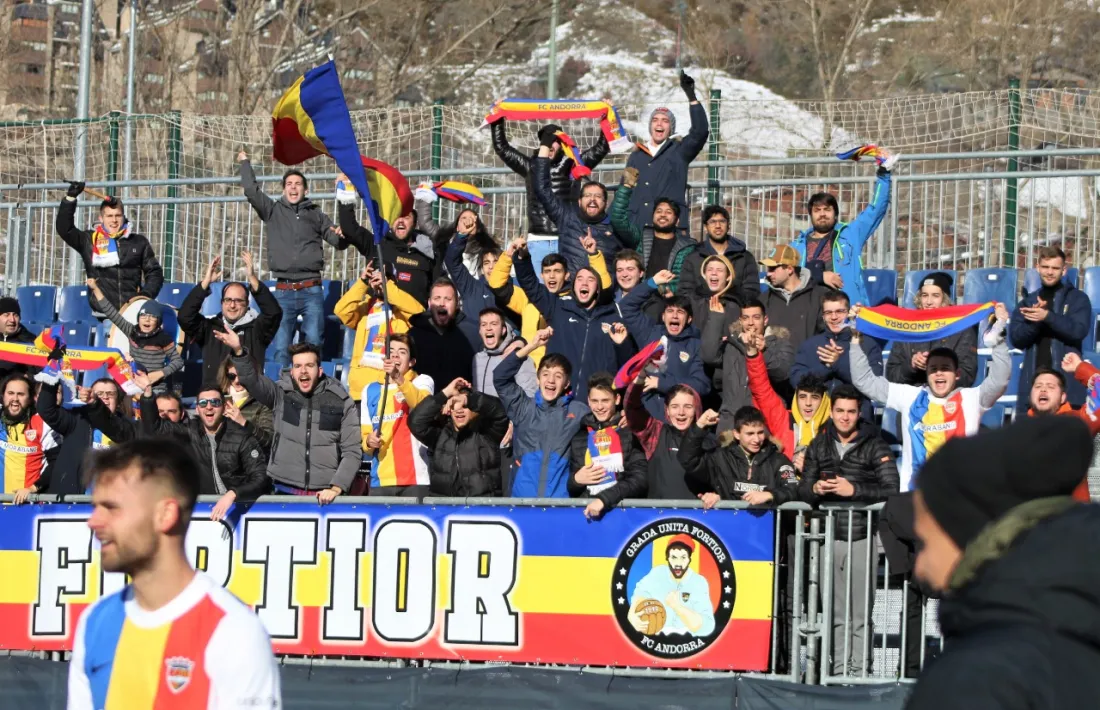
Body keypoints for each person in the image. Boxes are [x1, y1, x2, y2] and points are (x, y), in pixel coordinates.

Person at [67, 439, 281, 710]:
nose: (93, 521)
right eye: (95, 506)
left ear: (165, 514)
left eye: (111, 507)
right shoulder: (93, 623)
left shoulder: (234, 632)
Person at [906, 416, 1100, 710]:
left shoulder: (971, 681)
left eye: (925, 543)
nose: (919, 567)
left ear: (964, 538)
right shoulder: (1079, 638)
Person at [849, 303, 1012, 491]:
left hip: (961, 494)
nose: (939, 374)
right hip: (917, 496)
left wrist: (999, 334)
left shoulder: (971, 399)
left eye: (945, 369)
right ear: (926, 373)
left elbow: (1000, 379)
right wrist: (856, 339)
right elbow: (864, 381)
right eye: (933, 369)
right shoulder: (910, 396)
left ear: (957, 374)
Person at [799, 384, 899, 676]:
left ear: (859, 413)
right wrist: (815, 487)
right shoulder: (820, 443)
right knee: (835, 611)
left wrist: (853, 488)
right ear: (831, 411)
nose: (844, 417)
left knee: (859, 613)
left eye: (851, 412)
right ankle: (839, 670)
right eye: (840, 411)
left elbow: (891, 488)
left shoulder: (874, 443)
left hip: (862, 536)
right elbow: (804, 490)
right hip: (828, 537)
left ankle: (859, 672)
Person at [93, 379, 269, 522]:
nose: (209, 407)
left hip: (238, 512)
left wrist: (233, 494)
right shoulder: (188, 431)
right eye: (203, 403)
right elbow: (153, 427)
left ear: (223, 407)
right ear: (197, 409)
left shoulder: (241, 437)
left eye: (215, 402)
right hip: (200, 512)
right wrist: (148, 394)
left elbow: (261, 477)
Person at [218, 329, 360, 505]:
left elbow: (352, 451)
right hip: (282, 491)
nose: (303, 371)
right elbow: (251, 380)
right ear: (291, 371)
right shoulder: (280, 394)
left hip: (325, 495)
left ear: (320, 370)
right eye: (298, 366)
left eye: (309, 365)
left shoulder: (341, 401)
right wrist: (239, 352)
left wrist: (336, 487)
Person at [238, 150, 347, 362]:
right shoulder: (272, 210)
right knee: (281, 348)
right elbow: (251, 190)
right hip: (283, 291)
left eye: (298, 184)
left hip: (312, 289)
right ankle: (280, 391)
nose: (293, 187)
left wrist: (344, 233)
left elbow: (338, 242)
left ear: (305, 190)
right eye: (289, 183)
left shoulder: (316, 214)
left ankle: (313, 391)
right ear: (283, 189)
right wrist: (244, 163)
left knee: (314, 343)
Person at [513, 236, 629, 400]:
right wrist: (522, 257)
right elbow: (530, 284)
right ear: (573, 285)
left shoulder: (613, 318)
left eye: (590, 280)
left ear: (597, 288)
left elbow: (626, 366)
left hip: (596, 404)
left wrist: (622, 345)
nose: (584, 283)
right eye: (579, 279)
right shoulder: (558, 308)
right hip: (559, 400)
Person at [791, 153, 895, 307]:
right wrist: (820, 276)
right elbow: (785, 277)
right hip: (810, 311)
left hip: (847, 308)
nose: (822, 214)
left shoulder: (851, 234)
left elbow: (876, 209)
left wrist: (884, 174)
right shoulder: (796, 246)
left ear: (835, 214)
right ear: (810, 215)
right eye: (817, 210)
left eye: (827, 209)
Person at [494, 329, 589, 497]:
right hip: (522, 501)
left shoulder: (578, 411)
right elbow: (500, 377)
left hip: (560, 504)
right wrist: (532, 346)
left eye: (558, 376)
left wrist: (622, 417)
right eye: (545, 374)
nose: (551, 380)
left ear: (567, 383)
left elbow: (605, 421)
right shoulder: (523, 407)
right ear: (538, 378)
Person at [491, 118, 610, 238]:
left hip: (567, 235)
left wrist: (607, 118)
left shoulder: (574, 163)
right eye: (545, 141)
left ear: (562, 144)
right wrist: (497, 120)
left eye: (554, 140)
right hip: (538, 236)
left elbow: (602, 147)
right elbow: (502, 148)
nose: (549, 144)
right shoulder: (530, 166)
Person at [1009, 245, 1092, 416]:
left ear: (1064, 270)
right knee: (1029, 442)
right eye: (1045, 267)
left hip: (1068, 391)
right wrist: (1036, 322)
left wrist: (1047, 316)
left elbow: (1078, 331)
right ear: (1037, 268)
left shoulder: (1078, 298)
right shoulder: (1027, 302)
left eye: (1055, 268)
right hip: (1033, 390)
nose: (1049, 272)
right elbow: (1016, 339)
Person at [178, 251, 282, 385]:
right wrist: (205, 284)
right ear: (221, 303)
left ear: (247, 304)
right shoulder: (210, 328)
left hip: (248, 398)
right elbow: (184, 316)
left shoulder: (257, 329)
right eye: (228, 300)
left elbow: (274, 312)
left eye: (238, 300)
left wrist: (252, 278)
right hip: (215, 400)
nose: (232, 305)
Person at [56, 185, 164, 310]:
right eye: (109, 216)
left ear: (123, 217)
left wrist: (145, 296)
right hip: (104, 313)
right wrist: (70, 199)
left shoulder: (138, 241)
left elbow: (155, 273)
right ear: (101, 218)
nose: (114, 220)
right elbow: (65, 229)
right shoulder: (89, 240)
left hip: (132, 310)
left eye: (118, 215)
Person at [625, 71, 709, 231]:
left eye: (665, 121)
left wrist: (691, 97)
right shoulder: (636, 155)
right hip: (638, 227)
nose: (659, 124)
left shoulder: (680, 151)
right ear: (650, 126)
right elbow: (625, 189)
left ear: (671, 128)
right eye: (655, 120)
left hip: (671, 229)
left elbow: (700, 132)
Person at [529, 135, 623, 275]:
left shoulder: (616, 226)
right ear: (579, 201)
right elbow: (542, 189)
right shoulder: (566, 216)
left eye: (597, 196)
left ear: (605, 202)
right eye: (587, 196)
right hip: (572, 290)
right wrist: (545, 144)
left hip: (604, 292)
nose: (592, 200)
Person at [16, 378, 123, 500]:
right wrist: (52, 374)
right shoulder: (76, 420)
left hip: (109, 506)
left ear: (118, 400)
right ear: (89, 397)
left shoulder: (128, 429)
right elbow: (46, 408)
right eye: (98, 394)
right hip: (71, 505)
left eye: (110, 394)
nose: (105, 398)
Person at [617, 270, 710, 408]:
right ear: (663, 317)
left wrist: (661, 383)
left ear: (689, 319)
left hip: (679, 416)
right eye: (670, 311)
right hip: (647, 413)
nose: (674, 316)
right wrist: (651, 283)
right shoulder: (650, 334)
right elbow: (627, 306)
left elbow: (702, 385)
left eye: (680, 312)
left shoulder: (696, 345)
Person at [334, 262, 424, 402]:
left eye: (384, 278)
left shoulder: (402, 310)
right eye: (375, 278)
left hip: (391, 386)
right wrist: (362, 282)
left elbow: (419, 313)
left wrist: (388, 288)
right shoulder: (365, 308)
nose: (379, 282)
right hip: (361, 389)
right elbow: (341, 311)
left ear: (393, 281)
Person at [702, 298, 796, 433]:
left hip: (765, 424)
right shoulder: (731, 344)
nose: (750, 323)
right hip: (731, 422)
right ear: (740, 321)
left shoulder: (779, 344)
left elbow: (783, 373)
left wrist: (764, 351)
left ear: (765, 320)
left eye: (756, 317)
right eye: (746, 318)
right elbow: (709, 356)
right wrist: (716, 318)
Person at [407, 376, 510, 497]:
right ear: (448, 410)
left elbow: (500, 412)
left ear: (475, 410)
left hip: (480, 508)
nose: (459, 410)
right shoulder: (439, 434)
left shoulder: (487, 433)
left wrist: (468, 399)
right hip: (445, 509)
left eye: (465, 407)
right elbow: (415, 422)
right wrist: (444, 394)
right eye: (454, 405)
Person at [680, 406, 799, 508]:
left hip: (765, 530)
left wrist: (770, 495)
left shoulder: (777, 459)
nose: (756, 439)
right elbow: (688, 460)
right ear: (736, 434)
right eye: (750, 433)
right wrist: (699, 426)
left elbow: (794, 490)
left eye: (760, 432)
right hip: (729, 528)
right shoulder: (720, 457)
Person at [789, 290, 882, 420]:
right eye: (828, 313)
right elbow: (796, 381)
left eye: (840, 311)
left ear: (849, 313)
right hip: (819, 420)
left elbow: (875, 383)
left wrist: (838, 364)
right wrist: (826, 367)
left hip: (857, 419)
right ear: (823, 316)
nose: (834, 317)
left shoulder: (867, 344)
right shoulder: (809, 345)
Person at [361, 334, 434, 496]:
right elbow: (365, 440)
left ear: (411, 362)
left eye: (402, 351)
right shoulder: (369, 390)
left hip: (416, 480)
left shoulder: (422, 381)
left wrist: (397, 377)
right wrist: (369, 441)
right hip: (380, 480)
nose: (395, 355)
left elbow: (423, 406)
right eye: (391, 351)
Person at [567, 373, 648, 518]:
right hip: (587, 514)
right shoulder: (580, 436)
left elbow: (640, 479)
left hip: (622, 513)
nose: (599, 407)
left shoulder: (629, 432)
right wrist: (575, 480)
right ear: (588, 401)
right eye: (595, 401)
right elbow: (572, 488)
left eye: (605, 400)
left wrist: (604, 499)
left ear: (617, 399)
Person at [337, 195, 435, 306]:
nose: (401, 221)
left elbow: (438, 286)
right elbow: (349, 228)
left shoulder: (427, 251)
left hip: (416, 320)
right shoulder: (378, 245)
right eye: (396, 217)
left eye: (406, 217)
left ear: (415, 224)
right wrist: (345, 191)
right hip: (382, 319)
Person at [746, 342, 831, 470]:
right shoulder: (783, 419)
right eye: (802, 397)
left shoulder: (833, 429)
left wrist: (811, 471)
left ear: (823, 400)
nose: (808, 403)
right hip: (784, 487)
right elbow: (761, 389)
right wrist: (753, 355)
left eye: (814, 398)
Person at [89, 279, 183, 394]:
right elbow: (111, 313)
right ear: (138, 318)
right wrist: (95, 289)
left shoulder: (164, 339)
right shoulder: (131, 330)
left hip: (155, 387)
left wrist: (160, 374)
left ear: (158, 321)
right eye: (143, 316)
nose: (147, 319)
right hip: (132, 385)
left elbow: (178, 362)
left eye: (153, 317)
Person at [886, 271, 978, 388]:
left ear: (945, 300)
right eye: (924, 295)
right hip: (912, 397)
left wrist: (940, 371)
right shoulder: (908, 328)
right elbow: (891, 375)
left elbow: (968, 376)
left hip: (947, 398)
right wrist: (911, 365)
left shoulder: (962, 329)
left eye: (935, 296)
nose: (929, 302)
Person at [625, 376, 710, 499]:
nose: (681, 412)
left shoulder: (709, 441)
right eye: (674, 406)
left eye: (688, 406)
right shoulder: (656, 433)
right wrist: (639, 381)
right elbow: (631, 408)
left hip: (696, 517)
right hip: (660, 516)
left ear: (696, 409)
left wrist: (715, 495)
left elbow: (721, 483)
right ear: (667, 410)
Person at [610, 173, 694, 289]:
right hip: (642, 298)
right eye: (659, 211)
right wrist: (626, 187)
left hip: (671, 301)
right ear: (653, 216)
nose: (663, 215)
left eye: (668, 212)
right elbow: (618, 219)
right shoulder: (641, 237)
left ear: (677, 221)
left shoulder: (688, 247)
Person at [627, 538, 716, 636]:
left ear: (689, 559)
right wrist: (632, 614)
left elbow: (707, 626)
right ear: (667, 558)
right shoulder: (657, 573)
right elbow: (641, 592)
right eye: (674, 557)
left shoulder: (699, 582)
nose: (678, 563)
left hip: (687, 642)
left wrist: (677, 606)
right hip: (656, 639)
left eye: (683, 557)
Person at [677, 206, 760, 306]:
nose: (718, 226)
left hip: (735, 313)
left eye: (722, 221)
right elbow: (685, 292)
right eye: (712, 222)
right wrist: (707, 306)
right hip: (702, 314)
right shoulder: (693, 257)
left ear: (728, 225)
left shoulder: (744, 257)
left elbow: (752, 291)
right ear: (705, 227)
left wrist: (729, 304)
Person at [407, 278, 480, 387]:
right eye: (437, 298)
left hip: (461, 401)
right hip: (425, 401)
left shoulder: (472, 333)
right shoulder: (413, 335)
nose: (442, 303)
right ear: (429, 303)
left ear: (457, 304)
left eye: (448, 299)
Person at [760, 242, 827, 351]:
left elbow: (827, 334)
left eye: (773, 269)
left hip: (807, 365)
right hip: (773, 366)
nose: (768, 274)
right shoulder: (764, 299)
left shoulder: (819, 296)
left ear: (790, 269)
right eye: (768, 269)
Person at [413, 197, 499, 278]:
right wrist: (427, 196)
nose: (467, 222)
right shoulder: (444, 239)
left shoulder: (487, 248)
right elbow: (425, 222)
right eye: (464, 218)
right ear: (457, 226)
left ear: (477, 227)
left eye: (471, 219)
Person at [0, 373, 56, 496]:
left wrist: (33, 488)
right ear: (3, 396)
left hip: (28, 506)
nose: (15, 398)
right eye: (10, 393)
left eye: (21, 394)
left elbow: (56, 463)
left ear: (30, 398)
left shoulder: (42, 424)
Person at [472, 307, 536, 398]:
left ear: (503, 330)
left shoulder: (518, 356)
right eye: (484, 324)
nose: (488, 328)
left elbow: (530, 396)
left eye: (494, 324)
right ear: (480, 330)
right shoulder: (477, 358)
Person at [218, 356, 274, 456]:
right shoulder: (218, 399)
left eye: (241, 375)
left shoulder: (262, 401)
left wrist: (243, 423)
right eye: (232, 376)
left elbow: (268, 441)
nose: (237, 380)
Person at [0, 297, 37, 378]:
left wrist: (27, 378)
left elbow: (41, 373)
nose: (12, 320)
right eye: (6, 315)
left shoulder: (31, 342)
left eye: (15, 315)